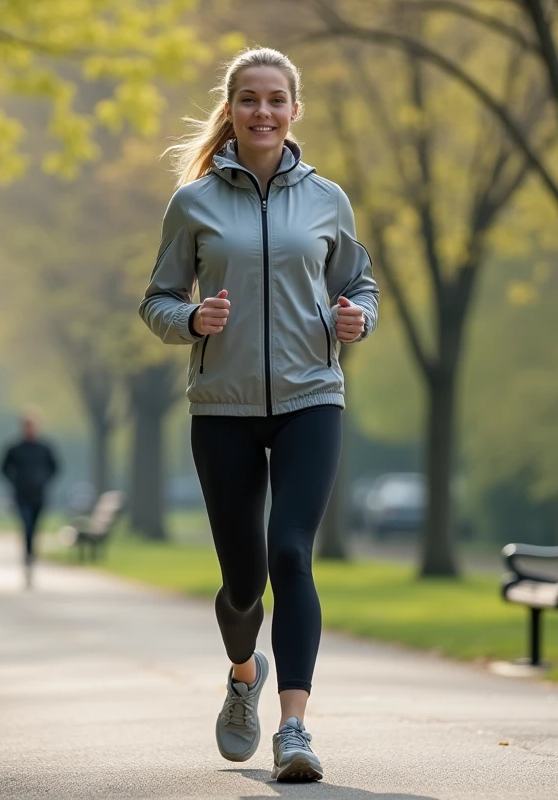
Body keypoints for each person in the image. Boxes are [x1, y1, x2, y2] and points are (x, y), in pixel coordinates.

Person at [139, 48, 378, 783]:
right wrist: (192, 319)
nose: (263, 111)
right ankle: (245, 674)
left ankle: (295, 728)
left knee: (291, 554)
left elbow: (360, 284)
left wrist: (355, 320)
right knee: (243, 581)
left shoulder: (327, 199)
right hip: (223, 409)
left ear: (294, 110)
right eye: (249, 99)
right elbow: (157, 300)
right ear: (231, 109)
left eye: (276, 99)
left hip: (312, 397)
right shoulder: (195, 202)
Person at [0, 410, 59, 589]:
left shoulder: (44, 448)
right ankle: (28, 558)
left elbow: (55, 467)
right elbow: (3, 467)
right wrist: (14, 481)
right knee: (26, 526)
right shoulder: (15, 449)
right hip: (21, 495)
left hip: (38, 495)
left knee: (35, 527)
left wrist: (43, 480)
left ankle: (31, 557)